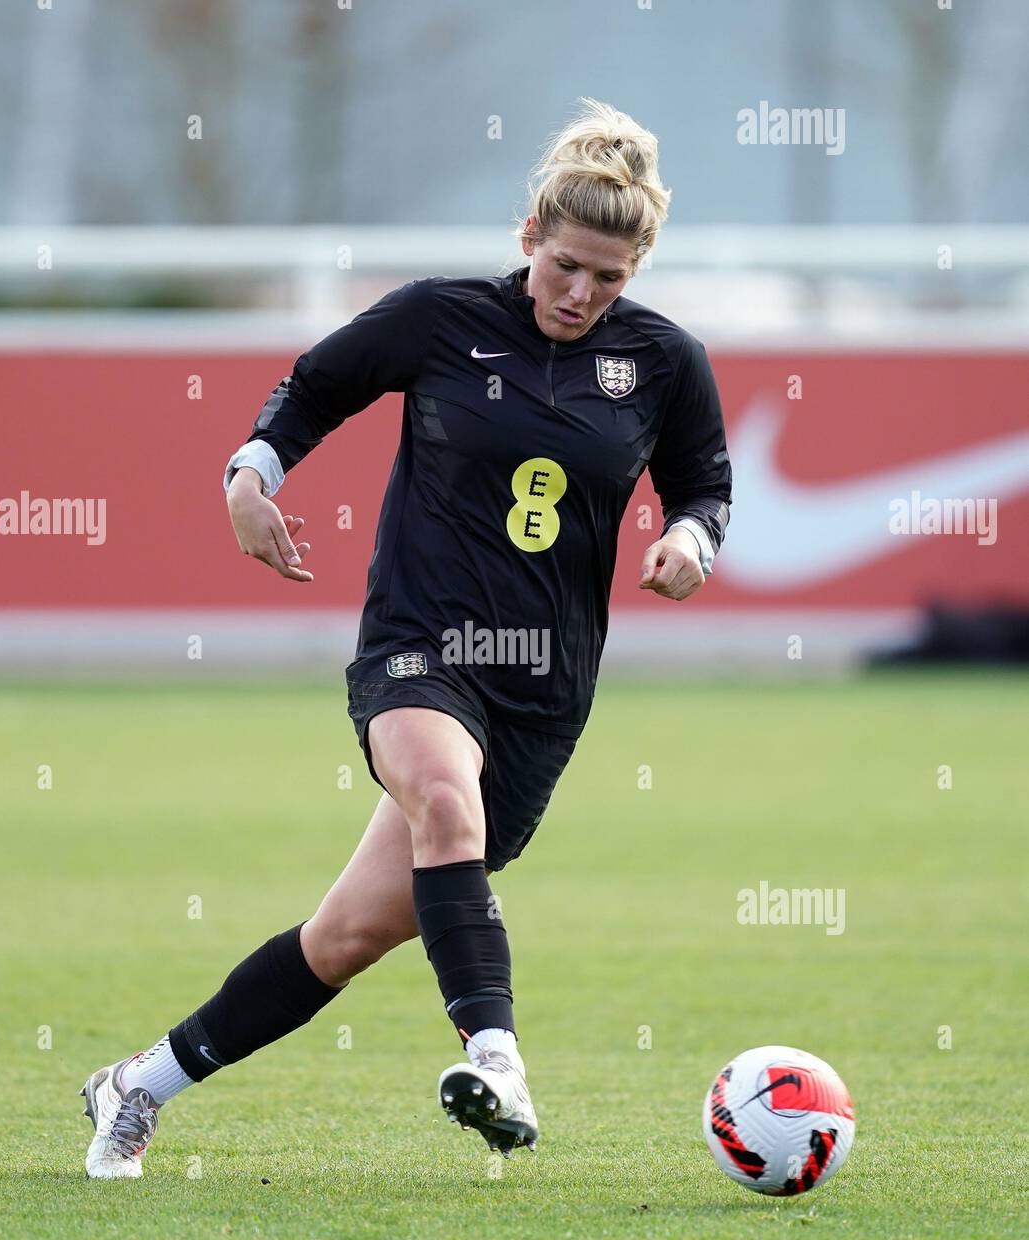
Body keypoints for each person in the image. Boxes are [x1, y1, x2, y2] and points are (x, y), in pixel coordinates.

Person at [79, 97, 732, 1176]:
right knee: (440, 791)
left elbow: (703, 485)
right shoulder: (439, 317)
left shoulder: (664, 361)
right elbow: (314, 389)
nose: (579, 293)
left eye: (607, 278)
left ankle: (136, 1085)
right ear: (530, 236)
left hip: (544, 687)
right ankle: (497, 1054)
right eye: (565, 264)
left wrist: (693, 544)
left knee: (340, 939)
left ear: (637, 271)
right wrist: (251, 473)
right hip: (418, 646)